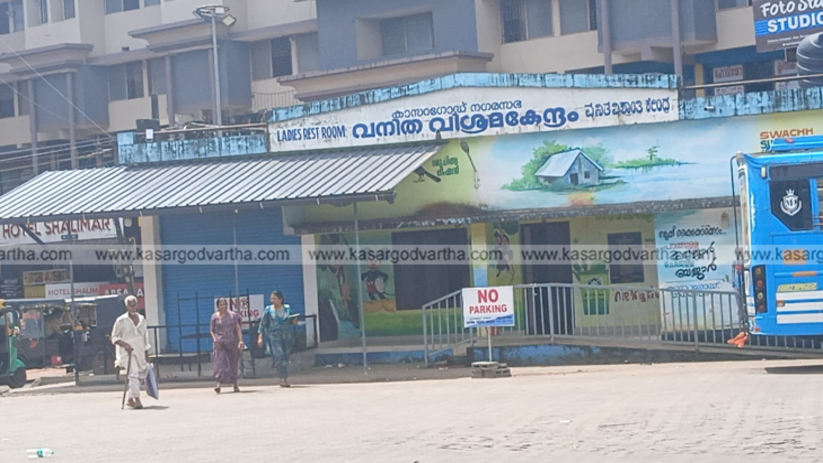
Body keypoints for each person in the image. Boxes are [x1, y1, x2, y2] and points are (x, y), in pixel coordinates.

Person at [111, 296, 151, 409]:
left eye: (134, 305)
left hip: (140, 352)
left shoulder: (142, 319)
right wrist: (125, 345)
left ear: (138, 305)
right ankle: (137, 399)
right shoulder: (121, 320)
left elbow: (145, 338)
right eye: (130, 305)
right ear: (126, 306)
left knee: (140, 376)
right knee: (133, 374)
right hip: (127, 353)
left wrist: (147, 354)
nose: (133, 307)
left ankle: (129, 398)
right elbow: (114, 337)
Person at [257, 291, 298, 388]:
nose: (273, 301)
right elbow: (262, 324)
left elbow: (291, 321)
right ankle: (282, 379)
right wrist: (260, 337)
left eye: (275, 299)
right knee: (279, 356)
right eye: (271, 299)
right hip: (274, 337)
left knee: (285, 358)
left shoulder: (287, 309)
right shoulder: (268, 310)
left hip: (287, 337)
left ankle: (284, 377)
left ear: (280, 299)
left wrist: (294, 322)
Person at [210, 297, 244, 394]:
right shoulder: (214, 317)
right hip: (220, 344)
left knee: (233, 364)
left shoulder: (233, 316)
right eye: (221, 304)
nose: (224, 306)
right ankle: (218, 385)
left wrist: (240, 341)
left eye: (225, 304)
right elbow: (212, 330)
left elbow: (238, 329)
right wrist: (215, 340)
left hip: (232, 343)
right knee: (220, 364)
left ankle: (235, 384)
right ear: (217, 306)